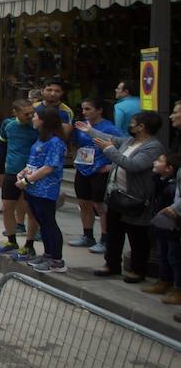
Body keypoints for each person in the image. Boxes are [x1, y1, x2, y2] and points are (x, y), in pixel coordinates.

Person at [80, 111, 165, 282]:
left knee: (137, 236)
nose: (130, 125)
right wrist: (90, 131)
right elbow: (111, 138)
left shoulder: (153, 147)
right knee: (114, 233)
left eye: (133, 122)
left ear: (142, 127)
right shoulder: (130, 141)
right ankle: (111, 264)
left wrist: (109, 150)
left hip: (136, 199)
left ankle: (137, 270)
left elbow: (133, 165)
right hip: (116, 195)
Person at [13, 111, 68, 273]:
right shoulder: (42, 139)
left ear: (44, 120)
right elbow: (35, 162)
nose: (33, 119)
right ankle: (48, 253)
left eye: (36, 117)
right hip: (33, 189)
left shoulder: (56, 142)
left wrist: (26, 181)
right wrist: (23, 172)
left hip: (46, 190)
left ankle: (57, 260)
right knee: (42, 223)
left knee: (49, 223)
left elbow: (49, 167)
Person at [68, 98, 120, 253]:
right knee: (84, 202)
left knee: (100, 205)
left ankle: (105, 239)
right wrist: (75, 157)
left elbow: (121, 148)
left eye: (88, 109)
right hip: (83, 168)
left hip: (100, 170)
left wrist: (111, 166)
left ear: (99, 110)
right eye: (83, 109)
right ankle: (87, 235)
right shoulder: (80, 126)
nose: (84, 112)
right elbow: (75, 143)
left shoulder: (110, 128)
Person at [0, 99, 38, 256]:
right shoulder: (8, 124)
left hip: (31, 173)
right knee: (6, 207)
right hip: (11, 171)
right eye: (26, 114)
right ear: (15, 113)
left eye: (32, 112)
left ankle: (29, 244)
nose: (30, 116)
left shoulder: (36, 125)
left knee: (31, 209)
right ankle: (11, 241)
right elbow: (1, 147)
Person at [144, 150, 180, 302]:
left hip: (172, 227)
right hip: (161, 226)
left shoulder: (171, 188)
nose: (155, 162)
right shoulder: (159, 181)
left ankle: (177, 288)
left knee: (174, 258)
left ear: (169, 168)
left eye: (159, 161)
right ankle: (164, 281)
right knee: (163, 255)